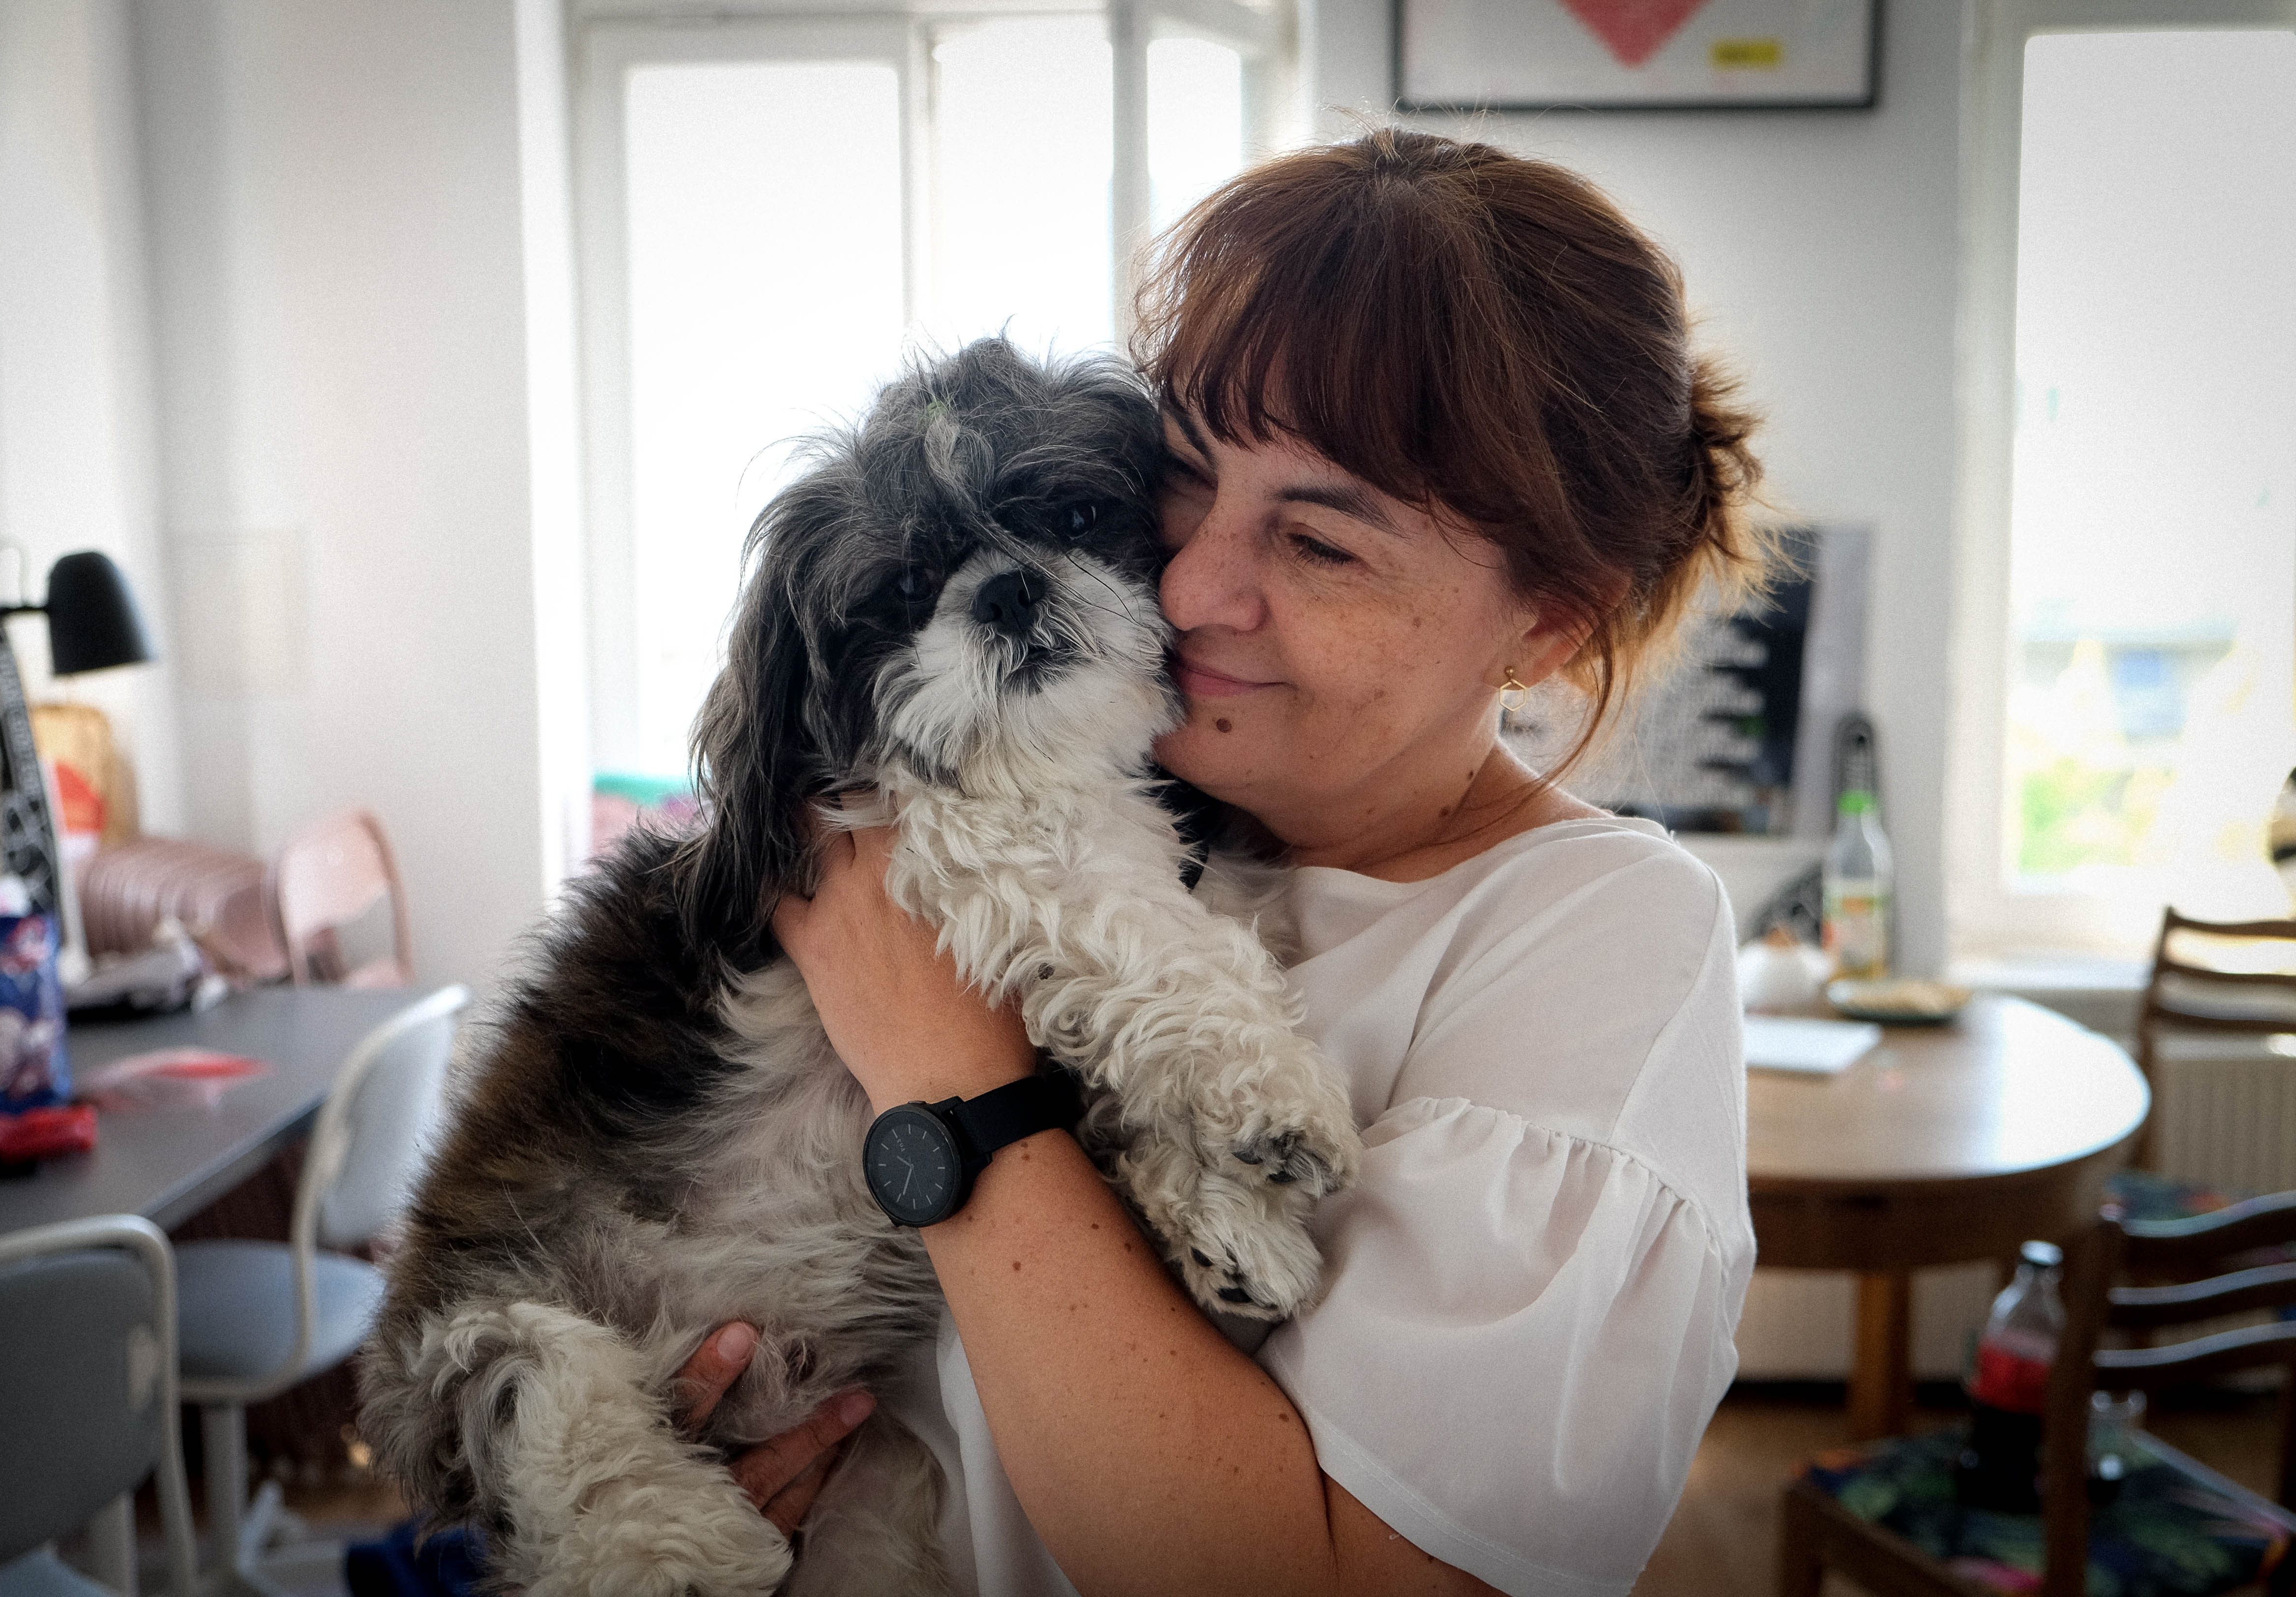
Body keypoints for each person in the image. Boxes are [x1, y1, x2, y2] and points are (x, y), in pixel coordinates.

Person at [680, 127, 1766, 1596]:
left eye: (1321, 546)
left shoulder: (1595, 945)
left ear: (1547, 624)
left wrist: (942, 1076)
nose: (1191, 587)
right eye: (1181, 481)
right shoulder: (1063, 803)